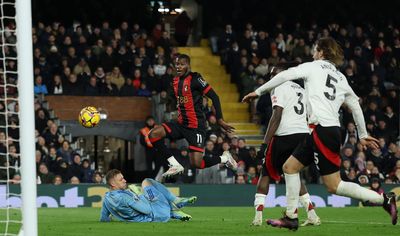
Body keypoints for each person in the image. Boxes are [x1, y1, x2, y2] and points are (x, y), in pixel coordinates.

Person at [242, 37, 397, 230]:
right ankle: (291, 217)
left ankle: (383, 199)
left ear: (322, 52)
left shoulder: (312, 67)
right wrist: (363, 134)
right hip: (324, 130)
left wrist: (258, 92)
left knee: (334, 186)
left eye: (315, 50)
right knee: (289, 167)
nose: (313, 53)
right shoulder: (341, 77)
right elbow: (355, 105)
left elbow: (283, 76)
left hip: (322, 130)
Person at [251, 62, 320, 227]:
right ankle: (312, 215)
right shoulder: (301, 90)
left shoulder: (279, 87)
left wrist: (264, 144)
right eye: (270, 75)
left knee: (266, 171)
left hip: (285, 136)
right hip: (303, 136)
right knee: (293, 174)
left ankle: (258, 217)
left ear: (284, 74)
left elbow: (277, 115)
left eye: (274, 74)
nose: (271, 77)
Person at [148, 54, 237, 177]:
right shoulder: (174, 81)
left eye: (182, 64)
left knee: (197, 163)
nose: (178, 67)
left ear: (188, 65)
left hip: (196, 127)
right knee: (153, 134)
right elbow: (178, 100)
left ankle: (224, 158)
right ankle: (174, 165)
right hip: (180, 124)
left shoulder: (196, 79)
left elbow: (215, 97)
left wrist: (220, 120)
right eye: (177, 64)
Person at [100, 169, 196, 222]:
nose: (125, 181)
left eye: (123, 178)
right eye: (121, 180)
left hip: (153, 215)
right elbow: (147, 210)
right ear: (113, 183)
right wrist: (139, 194)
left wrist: (112, 218)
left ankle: (175, 212)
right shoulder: (125, 197)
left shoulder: (107, 198)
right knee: (147, 182)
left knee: (151, 191)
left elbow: (103, 219)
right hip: (156, 215)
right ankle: (175, 202)